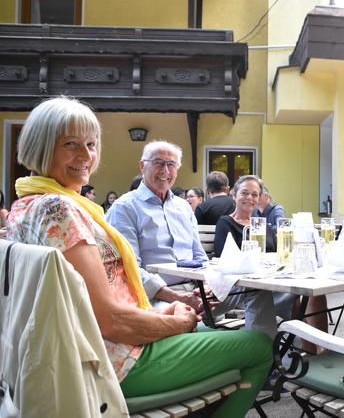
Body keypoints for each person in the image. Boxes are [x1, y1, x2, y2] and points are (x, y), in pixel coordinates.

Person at [6, 97, 270, 418]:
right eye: (70, 144)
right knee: (258, 346)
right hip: (115, 361)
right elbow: (111, 320)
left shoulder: (26, 206)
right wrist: (174, 321)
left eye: (91, 144)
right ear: (41, 147)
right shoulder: (59, 210)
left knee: (221, 337)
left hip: (93, 346)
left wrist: (169, 312)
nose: (86, 155)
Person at [107, 142, 280, 337]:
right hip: (160, 297)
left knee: (255, 290)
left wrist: (208, 288)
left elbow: (199, 256)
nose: (165, 170)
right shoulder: (125, 208)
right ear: (142, 166)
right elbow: (129, 270)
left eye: (171, 164)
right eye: (158, 163)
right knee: (180, 316)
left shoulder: (182, 207)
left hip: (198, 291)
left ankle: (264, 358)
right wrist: (178, 297)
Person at [214, 175, 277, 257]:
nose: (249, 197)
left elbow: (277, 252)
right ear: (234, 195)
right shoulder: (226, 223)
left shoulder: (263, 226)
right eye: (244, 193)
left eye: (254, 195)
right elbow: (223, 255)